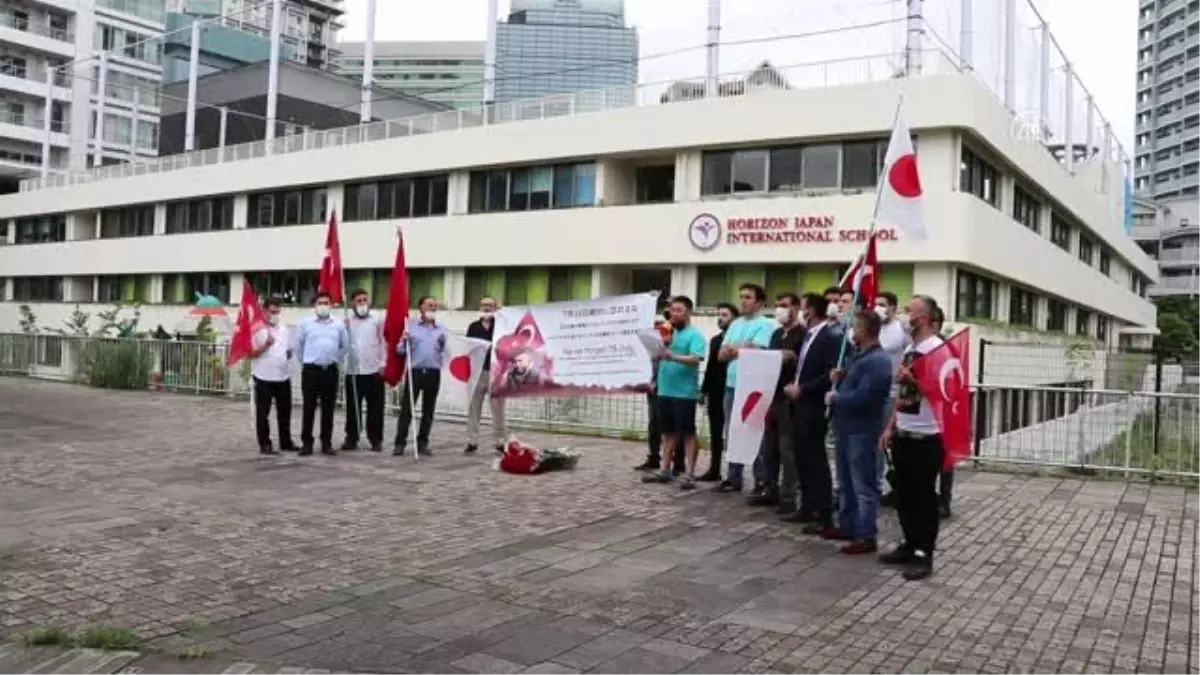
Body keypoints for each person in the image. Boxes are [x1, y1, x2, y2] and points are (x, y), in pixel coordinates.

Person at [879, 295, 946, 581]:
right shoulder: (910, 348)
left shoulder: (937, 349)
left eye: (911, 312)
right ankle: (908, 543)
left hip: (927, 436)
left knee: (923, 498)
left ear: (926, 318)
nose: (906, 317)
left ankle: (923, 553)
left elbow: (944, 393)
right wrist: (890, 426)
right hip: (904, 431)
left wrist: (913, 381)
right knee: (903, 496)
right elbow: (902, 396)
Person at [826, 310, 894, 555]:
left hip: (863, 430)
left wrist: (838, 397)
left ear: (865, 331)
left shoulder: (878, 361)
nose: (852, 332)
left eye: (855, 328)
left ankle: (866, 535)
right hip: (846, 428)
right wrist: (842, 377)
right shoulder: (858, 356)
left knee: (862, 484)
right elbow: (854, 384)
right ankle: (848, 525)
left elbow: (864, 397)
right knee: (845, 481)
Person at [781, 293, 840, 531]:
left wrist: (803, 388)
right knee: (801, 456)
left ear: (812, 311)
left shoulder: (830, 336)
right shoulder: (808, 335)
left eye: (802, 307)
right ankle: (806, 506)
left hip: (814, 404)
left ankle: (823, 514)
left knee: (815, 460)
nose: (798, 312)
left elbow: (830, 374)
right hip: (798, 404)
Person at [748, 292, 805, 511]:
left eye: (785, 305)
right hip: (770, 397)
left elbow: (800, 362)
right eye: (778, 305)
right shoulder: (775, 334)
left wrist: (789, 356)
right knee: (768, 447)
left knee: (787, 449)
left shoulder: (802, 334)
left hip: (788, 399)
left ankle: (789, 495)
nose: (780, 309)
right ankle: (769, 488)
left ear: (796, 308)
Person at [643, 296, 707, 488]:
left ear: (689, 312)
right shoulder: (665, 332)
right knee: (668, 433)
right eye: (672, 310)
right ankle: (665, 470)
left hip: (684, 392)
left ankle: (689, 473)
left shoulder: (695, 335)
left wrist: (673, 356)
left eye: (679, 310)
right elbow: (657, 354)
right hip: (665, 389)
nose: (675, 313)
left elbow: (696, 358)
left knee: (688, 433)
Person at [717, 283, 775, 493]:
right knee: (732, 432)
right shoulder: (735, 324)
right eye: (741, 296)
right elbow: (721, 355)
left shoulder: (766, 324)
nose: (743, 301)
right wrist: (742, 347)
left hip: (752, 387)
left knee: (754, 431)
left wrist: (738, 348)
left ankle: (761, 479)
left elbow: (757, 350)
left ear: (759, 302)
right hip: (732, 385)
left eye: (748, 297)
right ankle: (733, 477)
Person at [296, 291, 349, 456]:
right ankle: (307, 443)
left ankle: (326, 442)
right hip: (311, 370)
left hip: (330, 370)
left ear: (331, 305)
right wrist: (307, 361)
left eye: (326, 302)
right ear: (314, 305)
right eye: (320, 302)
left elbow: (344, 346)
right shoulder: (305, 323)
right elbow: (298, 346)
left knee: (328, 408)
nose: (323, 306)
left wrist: (334, 360)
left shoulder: (338, 324)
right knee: (309, 407)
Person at [394, 295, 447, 456]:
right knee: (407, 410)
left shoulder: (441, 328)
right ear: (421, 308)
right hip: (415, 372)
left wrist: (445, 343)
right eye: (429, 305)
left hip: (433, 372)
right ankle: (400, 443)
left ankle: (423, 442)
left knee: (428, 410)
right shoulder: (411, 326)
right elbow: (400, 350)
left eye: (434, 306)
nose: (432, 308)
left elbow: (448, 351)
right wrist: (404, 340)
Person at [876, 291, 911, 509]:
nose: (878, 308)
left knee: (889, 441)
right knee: (875, 443)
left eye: (883, 304)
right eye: (876, 304)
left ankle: (900, 487)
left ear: (893, 308)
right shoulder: (873, 328)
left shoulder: (900, 331)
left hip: (892, 393)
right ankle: (877, 486)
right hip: (874, 393)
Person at [342, 288, 387, 453]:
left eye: (364, 300)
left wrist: (383, 363)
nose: (362, 303)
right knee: (353, 407)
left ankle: (375, 439)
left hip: (373, 369)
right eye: (358, 301)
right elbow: (343, 344)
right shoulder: (347, 320)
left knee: (376, 407)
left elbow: (384, 342)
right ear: (353, 303)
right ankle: (351, 438)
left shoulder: (377, 319)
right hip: (353, 371)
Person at [250, 298, 296, 455]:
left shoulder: (285, 329)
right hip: (263, 377)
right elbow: (251, 354)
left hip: (282, 377)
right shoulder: (257, 329)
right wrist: (266, 345)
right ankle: (265, 443)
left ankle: (286, 441)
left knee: (285, 412)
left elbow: (289, 352)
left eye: (278, 312)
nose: (275, 315)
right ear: (264, 311)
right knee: (263, 414)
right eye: (272, 312)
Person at [698, 303, 737, 481]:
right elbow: (710, 367)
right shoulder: (715, 340)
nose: (720, 318)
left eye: (725, 315)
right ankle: (714, 469)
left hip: (731, 389)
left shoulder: (736, 341)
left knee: (732, 432)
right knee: (715, 432)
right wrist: (703, 390)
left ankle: (733, 473)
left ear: (734, 318)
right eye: (719, 314)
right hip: (715, 391)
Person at [465, 296, 507, 454]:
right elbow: (468, 348)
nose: (487, 308)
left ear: (496, 308)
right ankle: (472, 441)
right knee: (474, 408)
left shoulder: (502, 326)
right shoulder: (473, 327)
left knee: (498, 409)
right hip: (477, 372)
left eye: (490, 305)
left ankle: (500, 441)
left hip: (496, 372)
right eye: (484, 305)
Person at [932, 305, 954, 520]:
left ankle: (944, 501)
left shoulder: (944, 348)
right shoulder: (917, 345)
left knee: (945, 460)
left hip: (945, 410)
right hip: (923, 413)